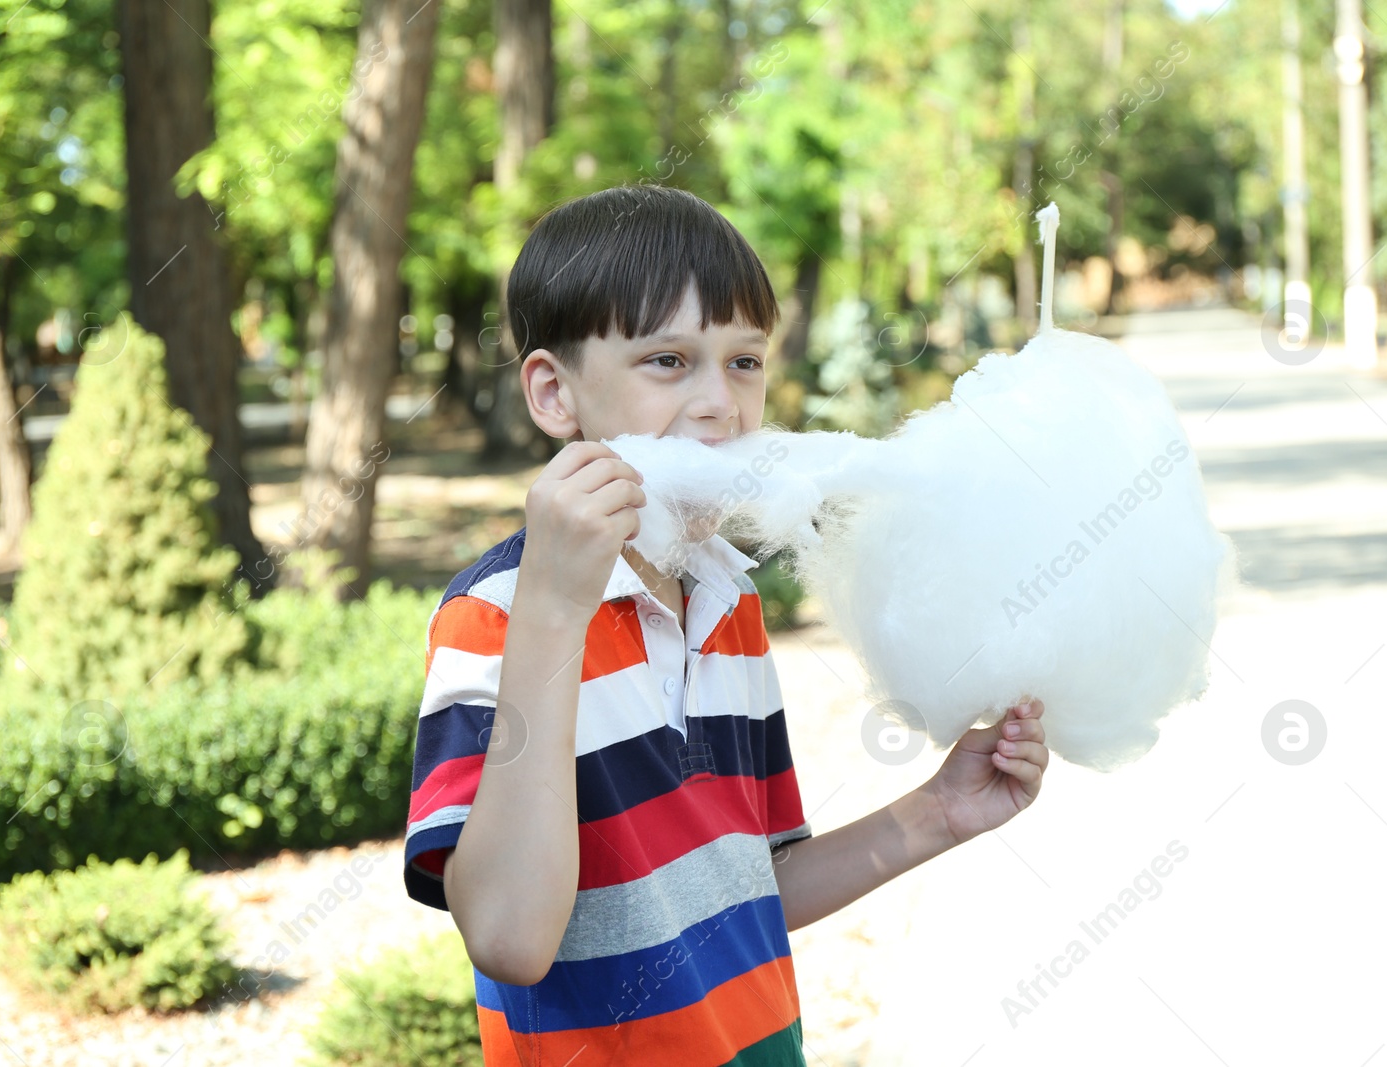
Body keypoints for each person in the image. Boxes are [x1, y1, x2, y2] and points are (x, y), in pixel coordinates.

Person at [403, 183, 1050, 1066]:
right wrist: (555, 613)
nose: (721, 404)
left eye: (744, 361)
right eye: (669, 361)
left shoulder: (725, 599)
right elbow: (512, 937)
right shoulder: (497, 616)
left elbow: (755, 887)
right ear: (555, 395)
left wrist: (939, 810)